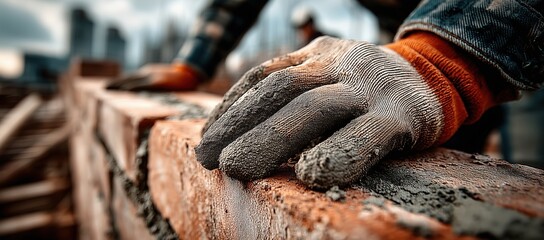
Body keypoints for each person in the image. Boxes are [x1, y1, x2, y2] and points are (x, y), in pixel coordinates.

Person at [115, 0, 544, 189]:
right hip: (406, 32)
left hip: (526, 42)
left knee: (523, 164)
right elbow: (234, 5)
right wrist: (193, 63)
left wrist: (444, 63)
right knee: (405, 140)